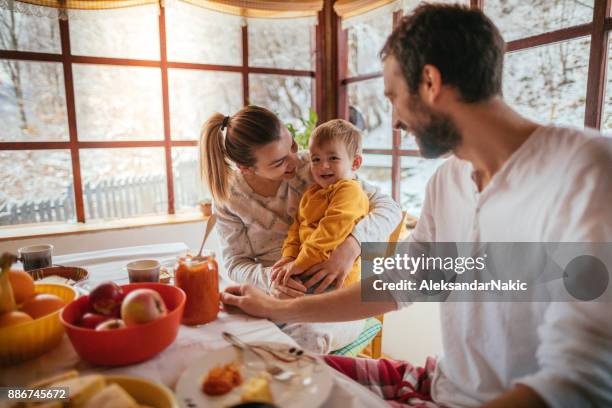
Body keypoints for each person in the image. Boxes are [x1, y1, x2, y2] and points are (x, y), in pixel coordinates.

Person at [220, 4, 612, 408]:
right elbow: (401, 284)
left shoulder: (587, 173)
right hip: (434, 382)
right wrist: (279, 305)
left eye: (393, 97)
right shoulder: (448, 181)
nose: (395, 122)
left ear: (430, 82)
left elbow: (581, 383)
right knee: (263, 374)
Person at [200, 106, 402, 353]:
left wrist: (351, 246)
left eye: (292, 146)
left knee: (301, 339)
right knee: (226, 336)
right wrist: (272, 281)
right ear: (246, 168)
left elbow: (389, 208)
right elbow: (235, 263)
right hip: (275, 296)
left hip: (337, 293)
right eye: (279, 162)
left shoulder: (318, 166)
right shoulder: (229, 197)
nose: (295, 160)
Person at [271, 119, 369, 290]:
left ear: (355, 163)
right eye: (316, 159)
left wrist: (301, 262)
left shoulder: (349, 191)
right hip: (306, 272)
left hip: (335, 281)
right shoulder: (311, 193)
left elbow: (331, 230)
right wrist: (289, 257)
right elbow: (296, 229)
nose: (323, 166)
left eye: (333, 158)